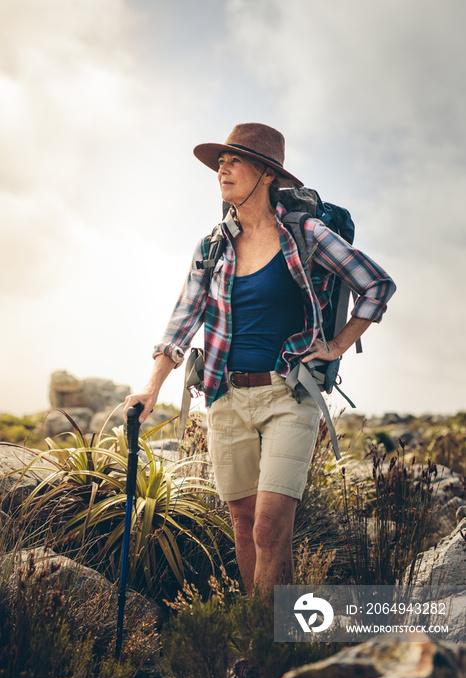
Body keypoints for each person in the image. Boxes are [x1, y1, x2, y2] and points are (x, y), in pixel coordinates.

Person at [124, 123, 396, 595]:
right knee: (243, 518)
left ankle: (275, 641)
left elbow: (376, 285)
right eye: (219, 163)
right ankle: (261, 637)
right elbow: (182, 320)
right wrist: (152, 387)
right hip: (225, 397)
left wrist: (335, 345)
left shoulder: (307, 234)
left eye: (234, 160)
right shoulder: (212, 246)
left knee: (271, 525)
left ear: (267, 174)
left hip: (289, 395)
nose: (221, 169)